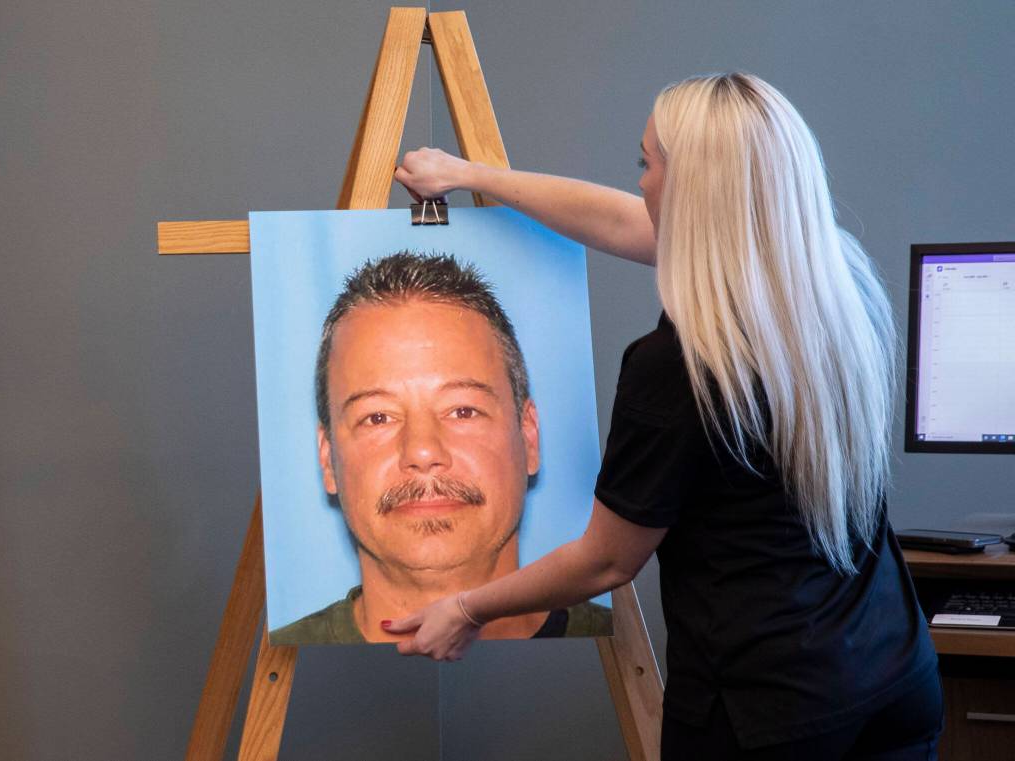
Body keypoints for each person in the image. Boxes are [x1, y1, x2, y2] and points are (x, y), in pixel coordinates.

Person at [386, 73, 943, 759]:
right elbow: (622, 220)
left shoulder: (678, 365)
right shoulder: (837, 281)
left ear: (692, 191)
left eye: (647, 163)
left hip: (769, 711)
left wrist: (467, 606)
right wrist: (472, 176)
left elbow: (605, 560)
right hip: (894, 678)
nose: (641, 183)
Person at [269, 252, 612, 645]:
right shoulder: (287, 663)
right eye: (378, 417)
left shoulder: (616, 650)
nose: (422, 451)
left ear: (529, 436)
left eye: (463, 411)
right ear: (328, 459)